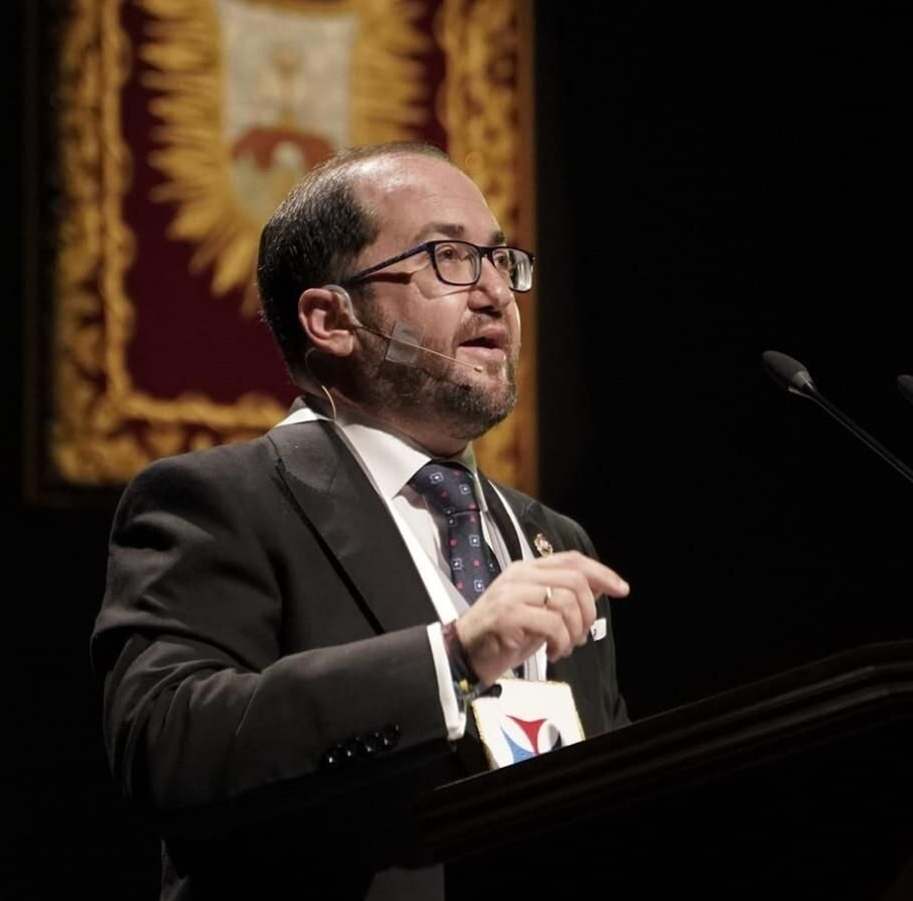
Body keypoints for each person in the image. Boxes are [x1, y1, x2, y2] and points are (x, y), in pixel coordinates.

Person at [90, 141, 632, 901]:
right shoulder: (219, 501)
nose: (495, 295)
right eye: (449, 258)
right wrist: (450, 658)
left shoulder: (554, 541)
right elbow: (167, 742)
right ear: (330, 318)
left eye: (500, 259)